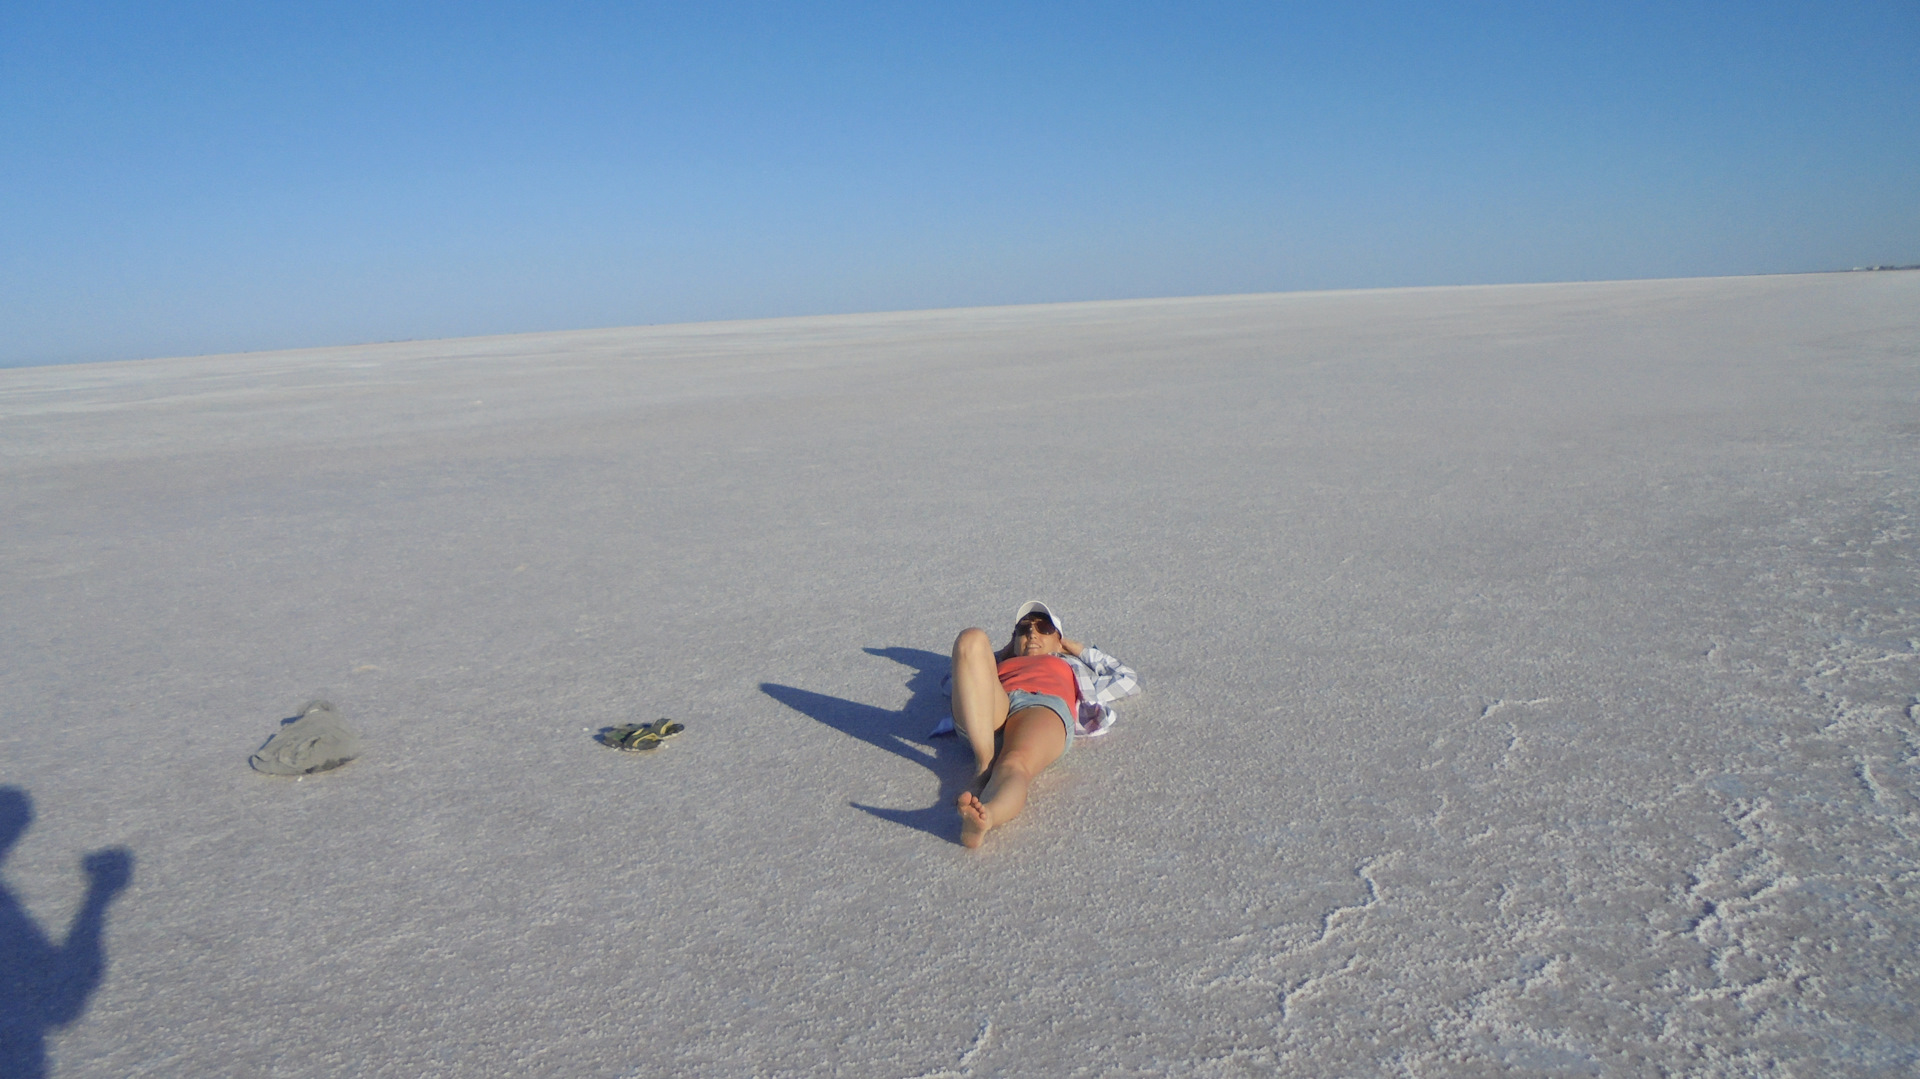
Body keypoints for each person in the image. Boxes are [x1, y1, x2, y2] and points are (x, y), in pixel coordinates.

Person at [949, 601, 1139, 848]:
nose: (1032, 633)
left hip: (1041, 706)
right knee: (970, 638)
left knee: (1015, 762)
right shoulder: (998, 665)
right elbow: (954, 680)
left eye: (1044, 628)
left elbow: (1128, 679)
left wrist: (1079, 650)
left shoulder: (1070, 665)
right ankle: (984, 763)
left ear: (1059, 640)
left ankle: (987, 817)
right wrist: (1002, 654)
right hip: (992, 710)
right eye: (1023, 629)